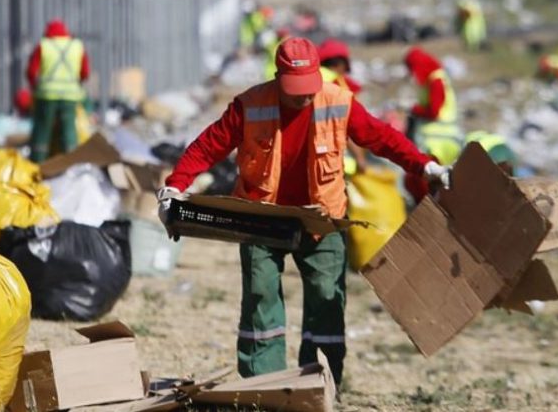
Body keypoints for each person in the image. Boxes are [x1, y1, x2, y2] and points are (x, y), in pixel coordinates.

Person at [157, 37, 449, 386]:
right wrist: (175, 186)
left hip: (321, 219)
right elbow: (208, 146)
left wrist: (424, 166)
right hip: (261, 218)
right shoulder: (250, 105)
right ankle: (263, 386)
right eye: (295, 89)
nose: (304, 96)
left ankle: (318, 384)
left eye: (309, 87)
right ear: (278, 78)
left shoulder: (337, 101)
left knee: (327, 297)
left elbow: (381, 137)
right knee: (261, 295)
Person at [26, 19, 90, 162]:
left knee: (42, 131)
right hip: (70, 96)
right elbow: (85, 72)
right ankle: (71, 162)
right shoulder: (77, 46)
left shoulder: (43, 45)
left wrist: (34, 87)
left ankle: (38, 163)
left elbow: (31, 71)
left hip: (46, 96)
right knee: (69, 130)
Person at [403, 46, 463, 166]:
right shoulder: (430, 80)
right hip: (436, 140)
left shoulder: (436, 81)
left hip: (440, 142)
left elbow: (434, 111)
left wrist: (415, 110)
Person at [317, 38, 365, 173]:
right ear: (339, 63)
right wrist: (359, 158)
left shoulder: (310, 78)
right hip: (333, 159)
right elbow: (345, 125)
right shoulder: (337, 83)